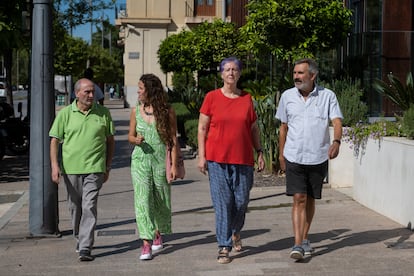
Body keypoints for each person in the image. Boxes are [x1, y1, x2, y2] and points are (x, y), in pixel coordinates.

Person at [197, 57, 265, 264]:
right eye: (227, 69)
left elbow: (253, 128)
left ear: (240, 73)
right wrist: (202, 156)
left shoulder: (247, 98)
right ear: (221, 74)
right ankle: (223, 246)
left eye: (235, 69)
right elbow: (202, 128)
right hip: (217, 159)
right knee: (223, 203)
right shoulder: (211, 97)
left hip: (243, 159)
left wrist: (260, 151)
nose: (231, 73)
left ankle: (235, 230)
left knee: (242, 201)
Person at [275, 58, 343, 260]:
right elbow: (283, 127)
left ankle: (305, 238)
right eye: (295, 73)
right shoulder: (287, 96)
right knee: (299, 198)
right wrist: (281, 154)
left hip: (317, 156)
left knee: (311, 199)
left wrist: (337, 142)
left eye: (300, 73)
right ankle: (297, 245)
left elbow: (337, 121)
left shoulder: (327, 96)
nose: (296, 77)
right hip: (294, 154)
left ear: (312, 75)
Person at [49, 78, 115, 261]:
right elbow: (54, 140)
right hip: (71, 169)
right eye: (87, 92)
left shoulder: (103, 113)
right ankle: (79, 237)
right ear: (77, 93)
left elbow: (110, 141)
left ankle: (85, 246)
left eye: (93, 92)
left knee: (89, 205)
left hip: (95, 168)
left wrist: (107, 166)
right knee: (75, 207)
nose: (91, 95)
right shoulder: (65, 114)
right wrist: (55, 166)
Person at [128, 73, 178, 261]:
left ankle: (158, 231)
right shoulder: (135, 111)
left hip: (160, 161)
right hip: (140, 161)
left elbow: (172, 139)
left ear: (150, 90)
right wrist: (136, 140)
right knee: (143, 200)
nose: (138, 92)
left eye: (141, 89)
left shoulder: (167, 111)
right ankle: (146, 243)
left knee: (161, 199)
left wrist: (173, 165)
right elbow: (130, 136)